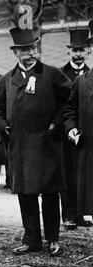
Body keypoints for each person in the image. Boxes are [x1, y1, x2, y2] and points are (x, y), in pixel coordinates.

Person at [0, 27, 72, 257]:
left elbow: (69, 102)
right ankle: (32, 239)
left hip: (47, 145)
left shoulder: (53, 74)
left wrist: (56, 125)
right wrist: (2, 127)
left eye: (33, 48)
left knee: (49, 194)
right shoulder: (7, 80)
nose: (29, 53)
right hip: (20, 147)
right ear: (15, 53)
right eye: (24, 50)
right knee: (26, 195)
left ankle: (53, 239)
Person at [59, 28, 91, 230]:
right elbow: (62, 106)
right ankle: (69, 214)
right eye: (74, 50)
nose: (78, 54)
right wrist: (68, 128)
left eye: (82, 50)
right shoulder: (60, 74)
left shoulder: (89, 74)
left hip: (87, 137)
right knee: (68, 176)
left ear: (87, 51)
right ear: (68, 52)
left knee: (83, 176)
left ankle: (81, 213)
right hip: (66, 135)